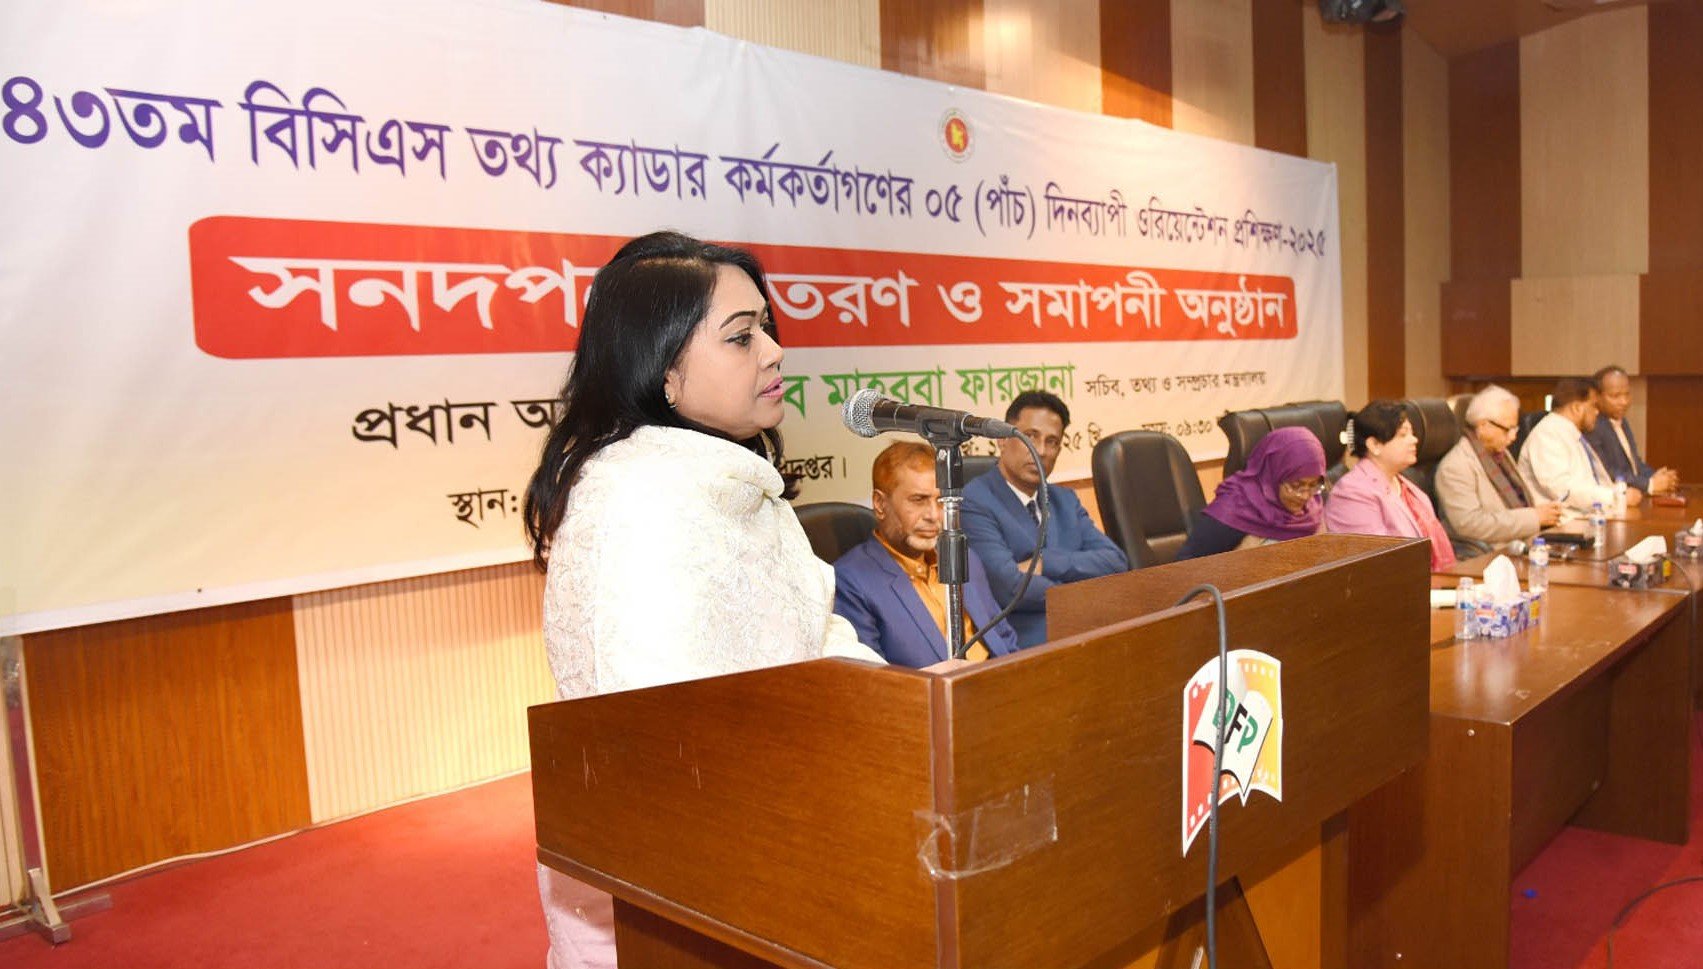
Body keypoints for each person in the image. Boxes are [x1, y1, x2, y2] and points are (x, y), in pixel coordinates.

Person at [520, 231, 883, 969]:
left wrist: (909, 708)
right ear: (663, 372)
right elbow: (661, 744)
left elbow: (813, 633)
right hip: (671, 899)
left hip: (770, 851)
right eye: (741, 337)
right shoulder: (634, 504)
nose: (775, 352)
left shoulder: (729, 478)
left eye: (767, 329)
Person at [961, 390, 1128, 648]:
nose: (1040, 451)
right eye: (1030, 436)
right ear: (1003, 440)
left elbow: (1115, 562)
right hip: (1025, 643)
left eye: (1052, 442)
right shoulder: (974, 501)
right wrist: (1082, 587)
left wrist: (1045, 562)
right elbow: (1008, 587)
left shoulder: (1065, 500)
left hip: (1087, 631)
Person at [834, 441, 1020, 666]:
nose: (933, 515)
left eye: (941, 502)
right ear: (880, 504)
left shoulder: (964, 557)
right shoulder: (850, 581)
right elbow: (872, 679)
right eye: (919, 500)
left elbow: (1004, 638)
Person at [1323, 400, 1457, 569]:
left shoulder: (1405, 483)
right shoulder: (1352, 493)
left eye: (1412, 433)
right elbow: (1375, 563)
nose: (1414, 440)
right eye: (1403, 435)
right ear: (1374, 445)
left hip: (1429, 579)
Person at [1435, 384, 1563, 549]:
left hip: (1525, 543)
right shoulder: (1455, 466)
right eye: (1507, 429)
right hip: (1492, 553)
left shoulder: (1500, 454)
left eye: (1515, 428)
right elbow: (1470, 525)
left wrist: (1542, 513)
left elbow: (1518, 504)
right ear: (1483, 426)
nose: (1513, 436)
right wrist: (1534, 517)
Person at [1175, 426, 1327, 560]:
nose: (1305, 496)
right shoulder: (1234, 508)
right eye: (1296, 485)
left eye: (1313, 485)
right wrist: (1239, 561)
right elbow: (1184, 568)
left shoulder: (1312, 507)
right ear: (1273, 475)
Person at [1518, 376, 1640, 511]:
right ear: (1576, 408)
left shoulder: (1571, 433)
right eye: (1594, 406)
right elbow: (1562, 489)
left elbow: (1591, 483)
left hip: (1587, 515)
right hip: (1563, 521)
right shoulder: (1547, 434)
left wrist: (1619, 493)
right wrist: (1614, 497)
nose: (1597, 412)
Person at [1585, 364, 1678, 495]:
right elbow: (1606, 473)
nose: (1624, 401)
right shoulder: (1593, 426)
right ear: (1597, 397)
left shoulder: (1623, 422)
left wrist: (1656, 476)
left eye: (1627, 394)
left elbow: (1634, 464)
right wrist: (1649, 484)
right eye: (1615, 396)